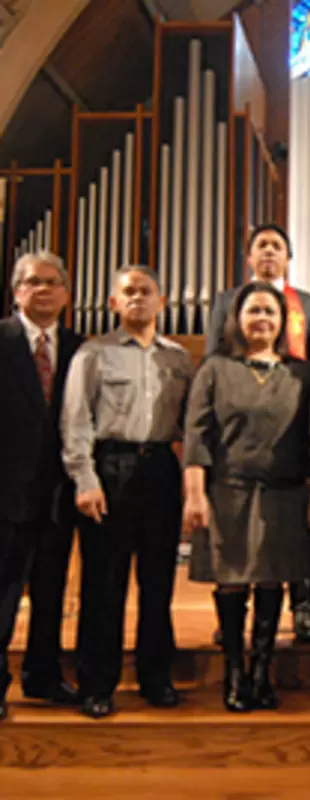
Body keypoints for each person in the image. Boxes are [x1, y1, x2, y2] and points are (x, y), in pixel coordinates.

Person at [182, 282, 310, 712]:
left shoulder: (302, 374)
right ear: (238, 320)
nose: (261, 319)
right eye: (253, 311)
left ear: (283, 321)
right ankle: (233, 673)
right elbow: (196, 435)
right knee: (231, 582)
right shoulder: (215, 369)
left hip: (284, 493)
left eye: (269, 312)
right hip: (228, 491)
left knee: (272, 578)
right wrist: (194, 493)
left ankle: (261, 672)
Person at [61, 266, 193, 719]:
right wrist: (85, 479)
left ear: (162, 301)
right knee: (104, 582)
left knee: (157, 582)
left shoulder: (178, 359)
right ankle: (97, 683)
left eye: (146, 292)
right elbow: (75, 420)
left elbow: (191, 425)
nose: (138, 299)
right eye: (128, 292)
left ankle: (156, 677)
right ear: (113, 303)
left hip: (160, 467)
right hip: (109, 468)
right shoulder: (93, 354)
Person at [207, 223, 310, 644]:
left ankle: (303, 608)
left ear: (288, 257)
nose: (269, 253)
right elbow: (215, 357)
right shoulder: (227, 301)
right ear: (249, 257)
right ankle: (231, 626)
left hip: (291, 422)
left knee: (293, 534)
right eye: (261, 246)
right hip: (241, 426)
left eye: (277, 247)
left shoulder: (307, 304)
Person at [0, 252, 83, 721]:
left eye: (53, 283)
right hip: (6, 492)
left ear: (67, 294)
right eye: (34, 282)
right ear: (17, 291)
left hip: (57, 495)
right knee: (4, 591)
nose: (44, 290)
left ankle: (44, 676)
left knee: (51, 591)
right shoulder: (2, 339)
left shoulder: (78, 347)